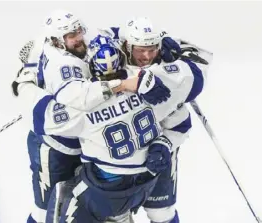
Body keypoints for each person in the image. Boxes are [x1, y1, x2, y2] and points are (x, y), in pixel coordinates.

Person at [14, 33, 210, 222]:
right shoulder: (149, 87)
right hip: (147, 181)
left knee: (58, 203)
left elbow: (40, 116)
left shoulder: (83, 107)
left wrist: (25, 81)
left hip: (105, 188)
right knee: (161, 213)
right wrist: (171, 59)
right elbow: (183, 117)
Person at [98, 17, 213, 223]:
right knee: (115, 216)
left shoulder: (168, 73)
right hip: (119, 157)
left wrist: (165, 143)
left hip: (157, 155)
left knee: (162, 212)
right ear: (127, 45)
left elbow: (181, 121)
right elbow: (99, 35)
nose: (147, 56)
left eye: (152, 49)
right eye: (140, 50)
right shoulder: (110, 60)